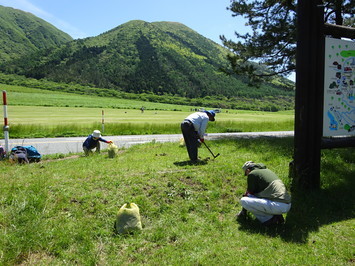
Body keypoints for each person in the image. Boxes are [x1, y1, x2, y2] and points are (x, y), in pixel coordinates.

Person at [237, 161, 291, 226]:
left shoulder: (252, 174)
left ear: (248, 170)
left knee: (243, 201)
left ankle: (271, 220)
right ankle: (277, 216)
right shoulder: (266, 171)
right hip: (287, 204)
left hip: (278, 205)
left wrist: (243, 211)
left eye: (246, 174)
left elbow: (249, 194)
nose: (247, 176)